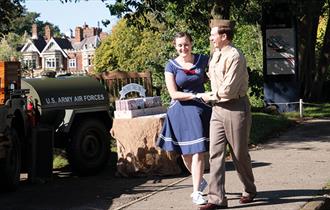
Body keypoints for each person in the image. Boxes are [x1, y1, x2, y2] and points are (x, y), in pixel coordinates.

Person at [199, 20, 257, 210]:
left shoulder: (235, 56)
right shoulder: (215, 54)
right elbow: (214, 78)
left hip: (235, 107)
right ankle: (217, 199)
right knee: (215, 154)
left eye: (213, 34)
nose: (211, 38)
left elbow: (229, 90)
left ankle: (249, 188)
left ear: (224, 36)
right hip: (217, 108)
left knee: (239, 154)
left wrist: (209, 96)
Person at [157, 32, 212, 205]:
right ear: (175, 46)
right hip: (179, 111)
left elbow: (215, 77)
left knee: (198, 151)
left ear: (191, 43)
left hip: (199, 111)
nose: (183, 48)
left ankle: (196, 192)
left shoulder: (203, 60)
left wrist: (216, 93)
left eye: (186, 44)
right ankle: (199, 180)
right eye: (180, 45)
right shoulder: (170, 66)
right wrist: (197, 95)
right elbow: (173, 93)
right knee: (185, 153)